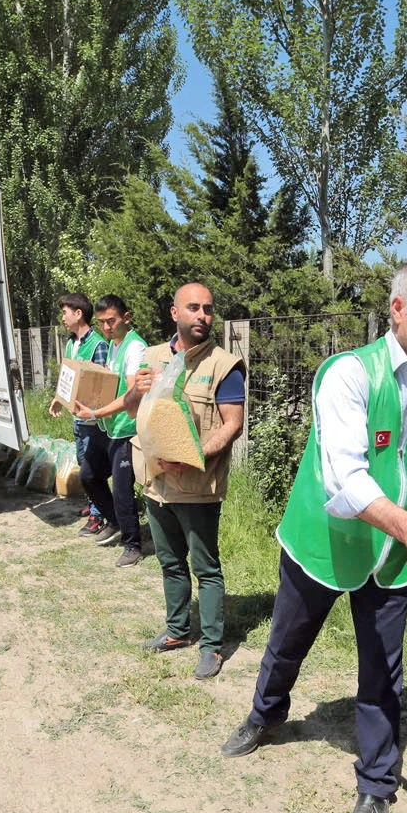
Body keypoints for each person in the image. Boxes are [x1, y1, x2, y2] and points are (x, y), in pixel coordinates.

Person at [218, 256, 407, 813]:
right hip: (326, 540)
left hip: (391, 560)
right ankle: (265, 715)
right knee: (286, 643)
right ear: (398, 308)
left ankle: (377, 783)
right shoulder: (349, 374)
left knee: (384, 674)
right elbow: (345, 479)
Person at [129, 283, 247, 679]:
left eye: (208, 309)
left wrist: (195, 456)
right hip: (156, 481)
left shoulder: (223, 365)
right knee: (169, 562)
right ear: (173, 312)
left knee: (206, 567)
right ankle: (177, 631)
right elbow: (133, 407)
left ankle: (212, 646)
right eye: (193, 308)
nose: (202, 316)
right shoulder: (152, 357)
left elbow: (233, 424)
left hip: (197, 487)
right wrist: (136, 390)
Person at [75, 295, 149, 566]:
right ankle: (115, 521)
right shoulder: (113, 345)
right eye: (102, 322)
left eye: (112, 321)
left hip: (126, 430)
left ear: (126, 318)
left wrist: (94, 413)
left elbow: (132, 395)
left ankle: (133, 544)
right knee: (89, 475)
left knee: (121, 490)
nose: (106, 326)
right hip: (108, 426)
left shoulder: (135, 348)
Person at [47, 293, 113, 538]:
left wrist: (92, 412)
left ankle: (98, 515)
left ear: (78, 314)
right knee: (83, 462)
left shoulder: (98, 345)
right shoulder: (71, 343)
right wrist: (58, 399)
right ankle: (95, 502)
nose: (62, 317)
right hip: (77, 419)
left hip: (93, 421)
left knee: (91, 469)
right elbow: (68, 376)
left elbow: (102, 385)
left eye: (65, 312)